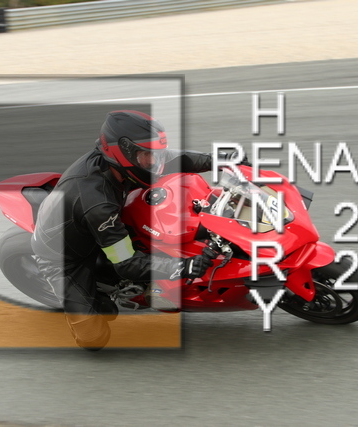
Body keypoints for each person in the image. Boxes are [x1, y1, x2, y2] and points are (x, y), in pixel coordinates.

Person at [31, 110, 218, 349]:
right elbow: (126, 263)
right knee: (94, 338)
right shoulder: (98, 203)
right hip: (66, 258)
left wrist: (216, 160)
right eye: (147, 156)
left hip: (100, 223)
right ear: (123, 153)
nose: (155, 162)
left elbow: (172, 158)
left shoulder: (119, 164)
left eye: (155, 154)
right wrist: (183, 266)